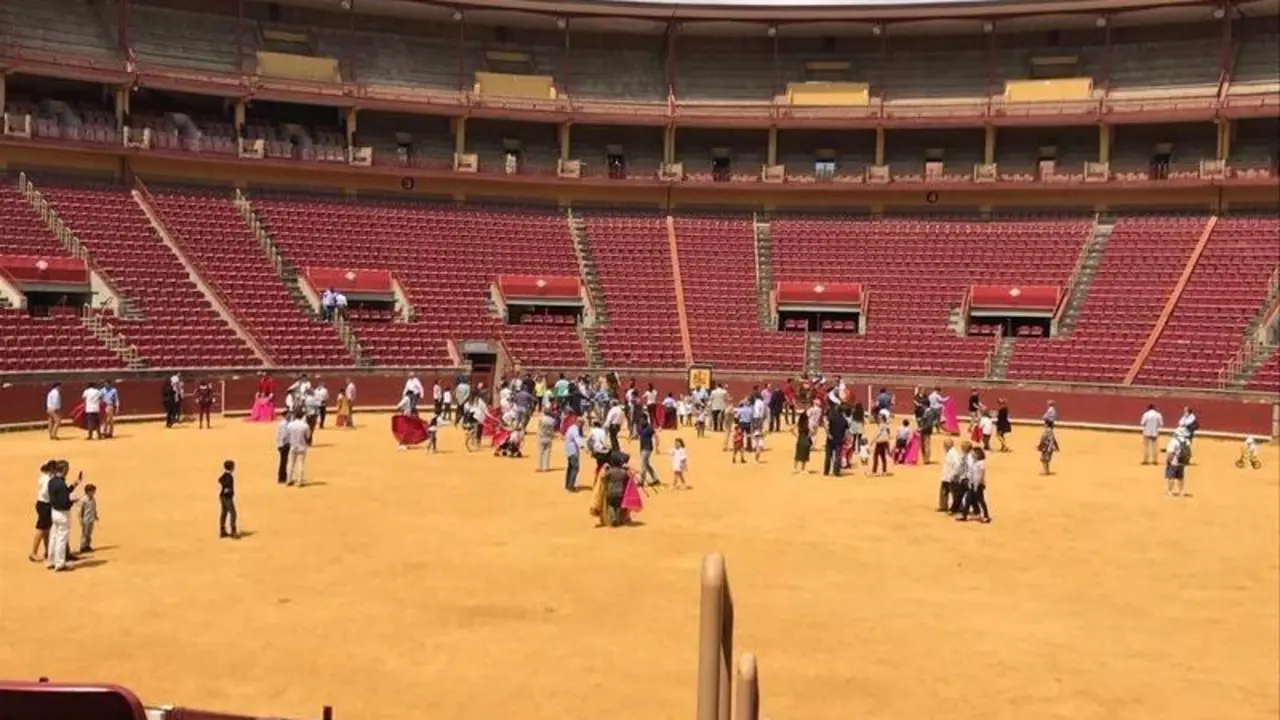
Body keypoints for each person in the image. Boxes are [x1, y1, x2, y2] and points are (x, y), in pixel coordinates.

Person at [46, 462, 79, 571]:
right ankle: (60, 563)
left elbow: (62, 494)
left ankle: (51, 560)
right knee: (61, 538)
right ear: (64, 470)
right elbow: (65, 501)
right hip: (62, 513)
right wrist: (72, 501)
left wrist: (74, 485)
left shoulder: (52, 481)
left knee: (54, 536)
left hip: (54, 512)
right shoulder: (61, 484)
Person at [957, 447, 990, 523]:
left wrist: (976, 485)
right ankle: (964, 516)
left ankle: (986, 516)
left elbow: (980, 475)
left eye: (973, 453)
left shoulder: (981, 463)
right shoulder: (974, 462)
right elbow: (971, 474)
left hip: (978, 485)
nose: (972, 454)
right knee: (968, 500)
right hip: (972, 484)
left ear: (977, 454)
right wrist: (970, 483)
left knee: (981, 501)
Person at [30, 460, 54, 562]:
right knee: (41, 529)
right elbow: (45, 492)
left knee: (46, 529)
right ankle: (33, 553)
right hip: (45, 504)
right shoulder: (48, 479)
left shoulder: (43, 477)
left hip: (41, 504)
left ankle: (47, 551)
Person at [286, 411, 311, 487]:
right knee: (300, 463)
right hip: (301, 446)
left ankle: (289, 480)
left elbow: (287, 435)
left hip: (292, 446)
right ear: (302, 416)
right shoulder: (305, 425)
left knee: (290, 463)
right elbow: (308, 436)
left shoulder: (290, 425)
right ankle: (300, 481)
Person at [823, 404, 848, 477]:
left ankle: (826, 471)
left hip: (830, 439)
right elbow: (846, 431)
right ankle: (836, 472)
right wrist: (844, 438)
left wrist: (828, 434)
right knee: (838, 456)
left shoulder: (831, 417)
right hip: (839, 439)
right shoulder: (844, 420)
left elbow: (826, 426)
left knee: (828, 455)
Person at [1166, 428, 1191, 497]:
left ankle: (1170, 491)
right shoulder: (1187, 441)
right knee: (1180, 477)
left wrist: (1169, 460)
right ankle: (1181, 491)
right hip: (1182, 461)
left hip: (1174, 461)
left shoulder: (1174, 441)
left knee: (1171, 477)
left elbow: (1170, 452)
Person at [938, 438, 961, 512]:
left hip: (951, 477)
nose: (944, 447)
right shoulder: (949, 452)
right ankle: (943, 506)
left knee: (954, 493)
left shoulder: (953, 454)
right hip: (946, 476)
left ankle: (958, 507)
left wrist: (954, 475)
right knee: (944, 491)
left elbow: (957, 465)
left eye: (945, 445)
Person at [637, 417, 660, 486]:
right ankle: (655, 479)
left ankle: (641, 481)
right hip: (642, 448)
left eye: (642, 420)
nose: (641, 421)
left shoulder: (649, 428)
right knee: (646, 465)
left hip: (647, 448)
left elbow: (656, 437)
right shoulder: (640, 427)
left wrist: (657, 447)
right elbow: (639, 435)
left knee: (643, 464)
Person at [564, 418, 584, 492]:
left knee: (570, 468)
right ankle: (571, 486)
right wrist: (582, 446)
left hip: (569, 450)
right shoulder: (575, 429)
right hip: (573, 451)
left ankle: (567, 484)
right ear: (579, 423)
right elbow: (577, 439)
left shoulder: (571, 428)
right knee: (575, 467)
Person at [78, 483, 99, 552]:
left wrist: (95, 515)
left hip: (91, 519)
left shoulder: (93, 499)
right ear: (88, 492)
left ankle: (87, 545)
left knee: (89, 533)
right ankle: (82, 547)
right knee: (84, 534)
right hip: (85, 519)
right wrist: (80, 519)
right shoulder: (83, 500)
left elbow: (94, 508)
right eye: (92, 491)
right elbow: (80, 510)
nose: (94, 493)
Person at [870, 411, 892, 476]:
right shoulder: (886, 425)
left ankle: (874, 472)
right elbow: (888, 434)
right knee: (883, 456)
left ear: (882, 419)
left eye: (880, 417)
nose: (879, 418)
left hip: (880, 441)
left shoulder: (881, 425)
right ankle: (884, 471)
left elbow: (878, 433)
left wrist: (873, 440)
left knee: (876, 456)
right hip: (885, 441)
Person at [275, 411, 291, 484]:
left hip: (281, 444)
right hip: (284, 445)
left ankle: (283, 477)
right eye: (289, 415)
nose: (290, 416)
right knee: (284, 462)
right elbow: (284, 435)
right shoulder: (285, 424)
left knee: (284, 461)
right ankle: (282, 478)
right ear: (285, 416)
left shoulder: (283, 423)